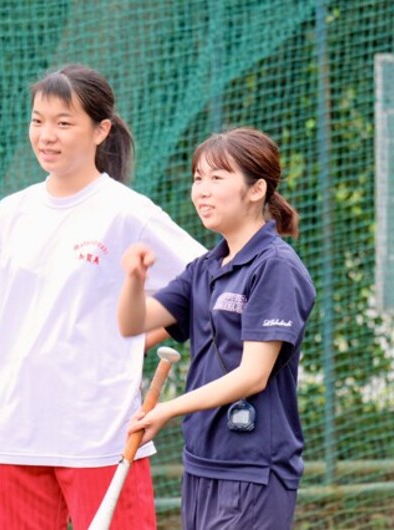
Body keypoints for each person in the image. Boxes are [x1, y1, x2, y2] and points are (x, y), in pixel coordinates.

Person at [0, 64, 205, 530]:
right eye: (38, 120)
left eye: (63, 122)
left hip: (101, 433)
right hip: (13, 433)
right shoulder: (9, 214)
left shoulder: (128, 213)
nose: (46, 135)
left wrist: (132, 340)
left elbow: (207, 283)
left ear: (101, 130)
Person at [118, 127, 316, 529]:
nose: (202, 190)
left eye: (216, 178)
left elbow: (253, 375)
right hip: (203, 460)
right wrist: (134, 279)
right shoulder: (205, 268)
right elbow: (132, 324)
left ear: (256, 189)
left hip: (254, 467)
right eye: (197, 178)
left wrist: (167, 409)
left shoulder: (275, 266)